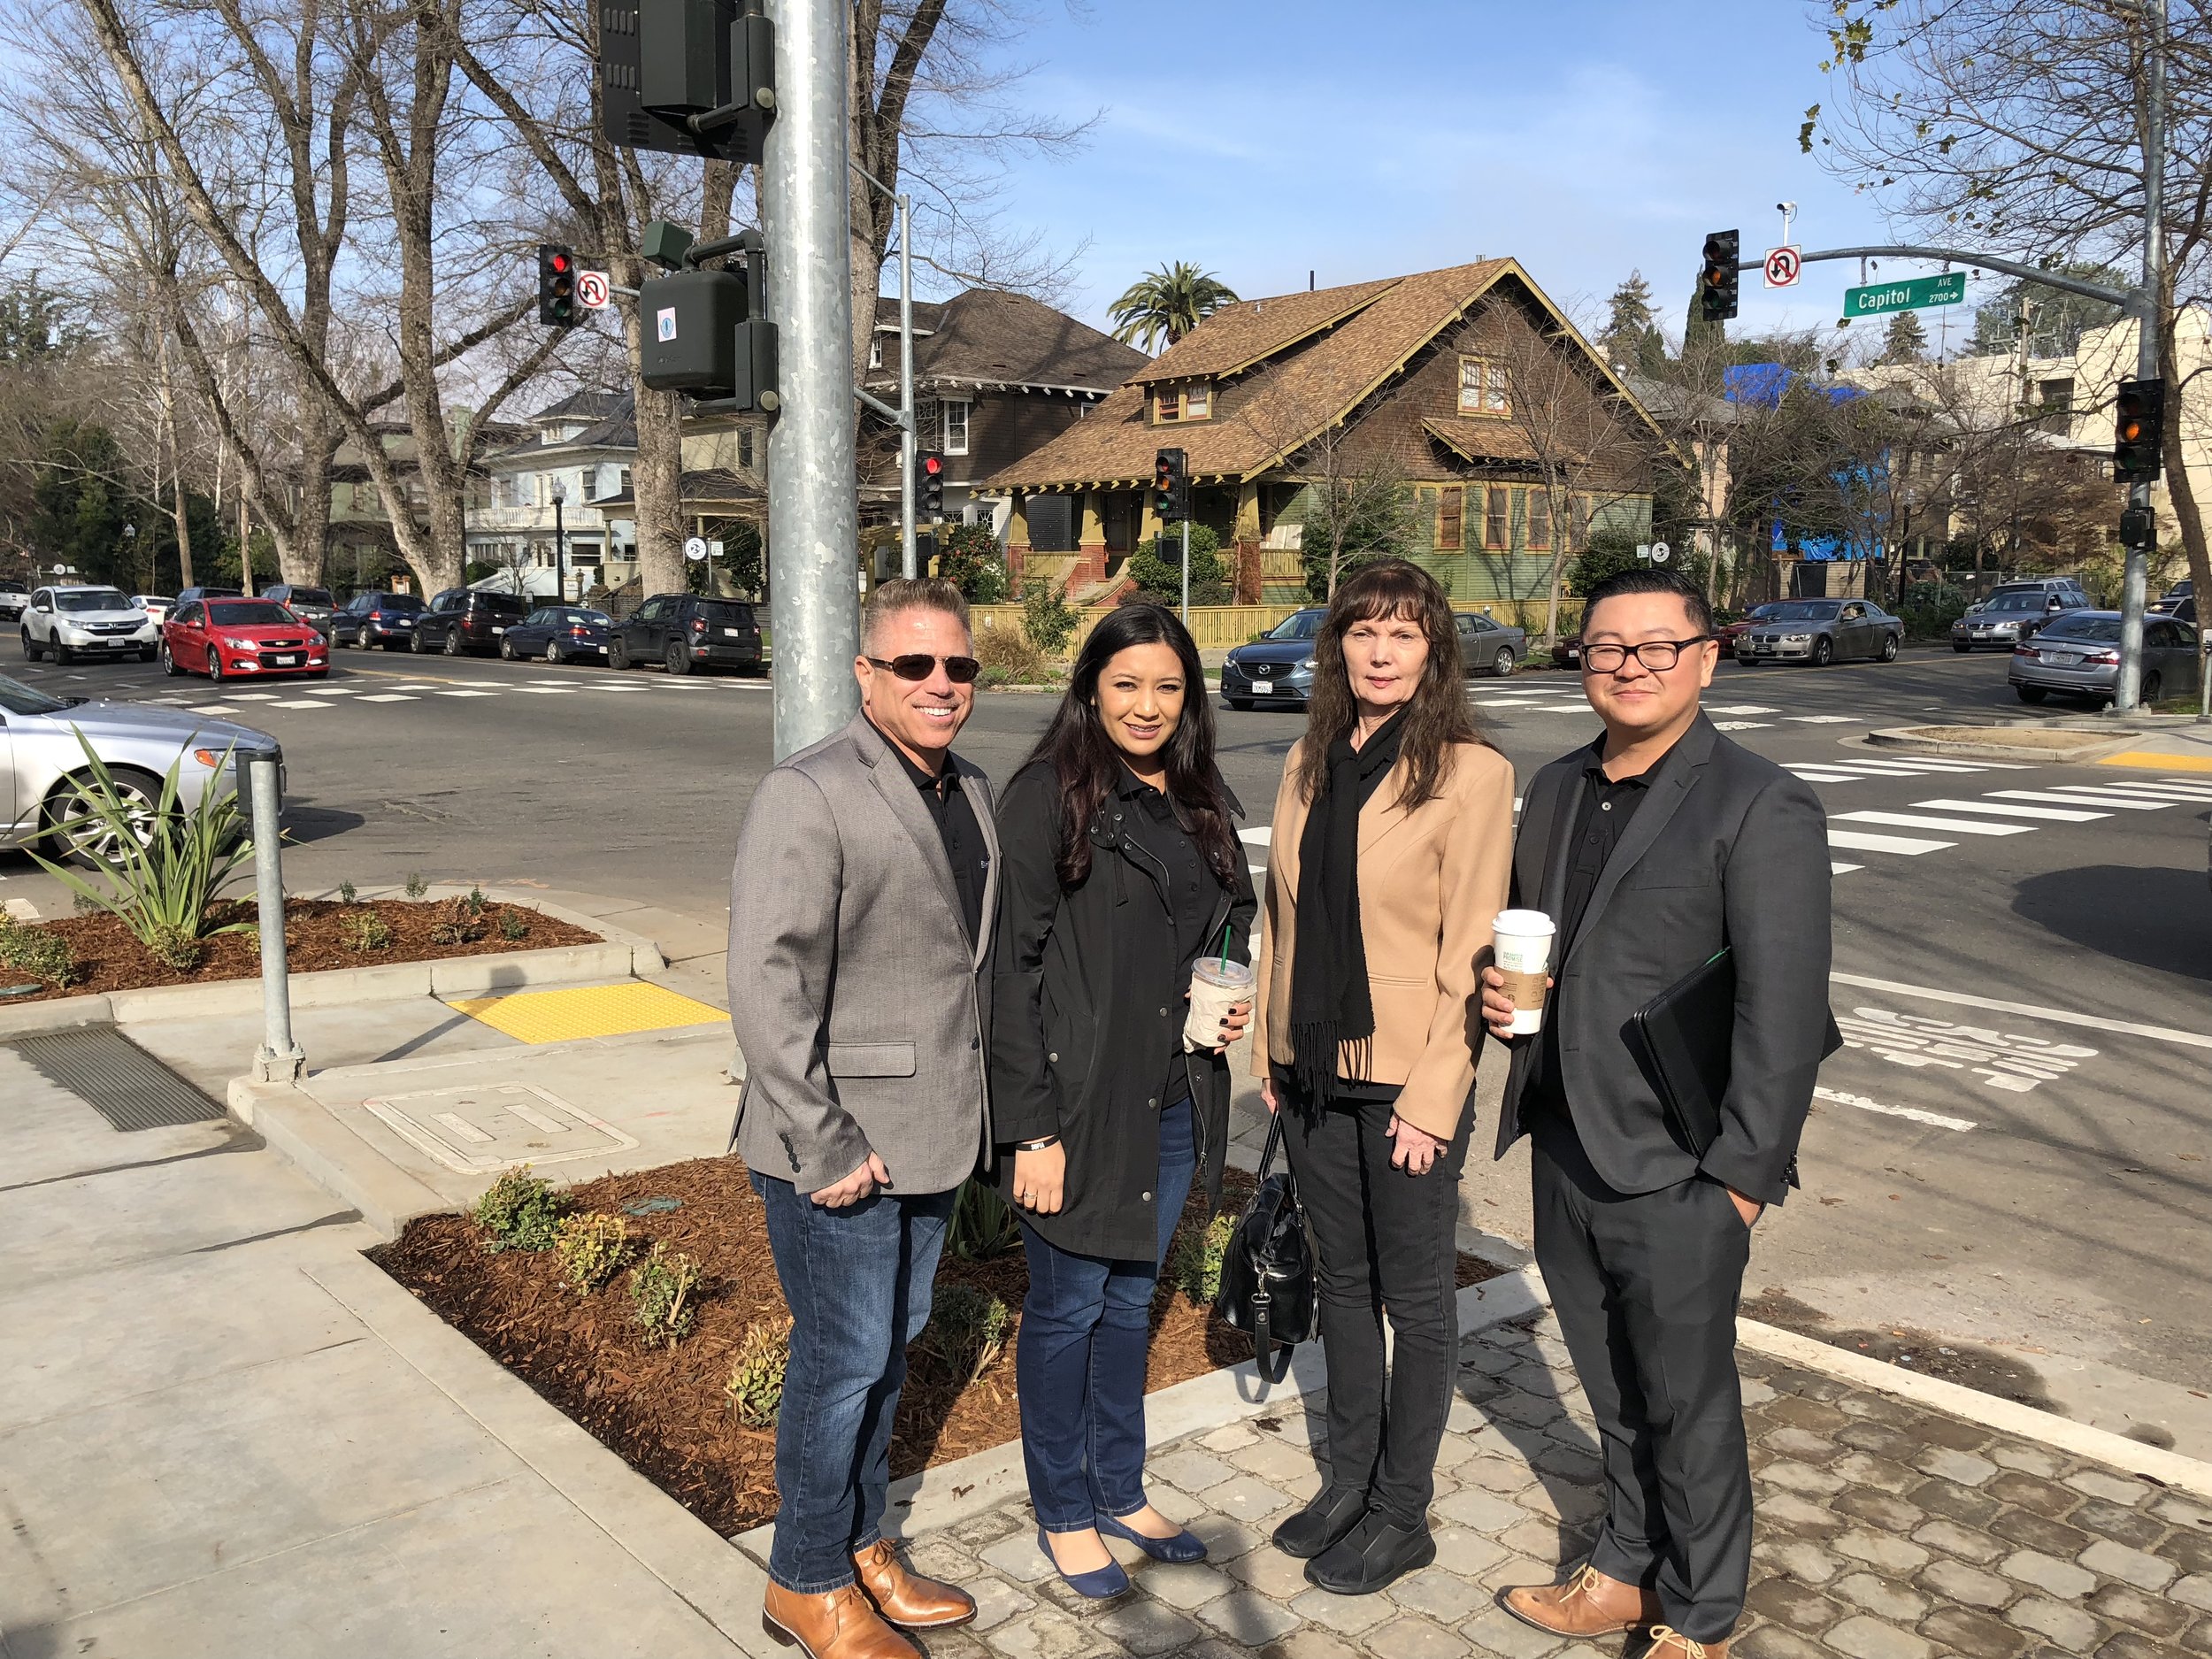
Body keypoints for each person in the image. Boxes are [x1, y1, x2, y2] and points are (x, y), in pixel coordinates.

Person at [1479, 566, 1833, 1659]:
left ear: (1703, 658)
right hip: (1564, 1140)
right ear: (1580, 658)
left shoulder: (1758, 801)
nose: (1628, 666)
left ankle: (1703, 1613)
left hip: (1680, 1170)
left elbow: (1783, 1009)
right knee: (1615, 1393)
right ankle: (1625, 1570)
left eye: (1654, 646)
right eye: (1605, 647)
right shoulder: (1552, 788)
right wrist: (1501, 1002)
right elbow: (1546, 944)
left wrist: (1739, 1180)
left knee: (1689, 1404)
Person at [728, 578, 998, 1659]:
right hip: (838, 1145)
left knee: (893, 1349)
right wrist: (824, 1141)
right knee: (843, 1358)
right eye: (914, 666)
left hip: (933, 1132)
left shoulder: (968, 788)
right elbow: (764, 981)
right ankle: (803, 1577)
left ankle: (858, 1538)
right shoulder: (809, 791)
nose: (941, 686)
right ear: (866, 674)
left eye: (959, 668)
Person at [1251, 559, 1515, 1595]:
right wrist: (1273, 1049)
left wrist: (1437, 1090)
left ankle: (1403, 1510)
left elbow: (1474, 945)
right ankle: (1349, 1480)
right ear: (1337, 648)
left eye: (1402, 634)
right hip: (1313, 1063)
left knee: (1415, 1295)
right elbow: (1282, 917)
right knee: (1344, 1286)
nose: (1379, 652)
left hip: (1407, 1074)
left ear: (1433, 649)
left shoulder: (1471, 772)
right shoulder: (1307, 759)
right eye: (1362, 633)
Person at [991, 603, 1259, 1598]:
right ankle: (1065, 1513)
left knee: (1128, 1301)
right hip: (1075, 1103)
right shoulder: (1048, 797)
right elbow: (1005, 977)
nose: (1146, 707)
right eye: (1126, 686)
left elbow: (1231, 916)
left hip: (1173, 1098)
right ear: (1090, 691)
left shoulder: (1196, 795)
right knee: (1065, 1310)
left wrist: (1224, 990)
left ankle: (1118, 1487)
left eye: (1167, 687)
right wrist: (1031, 1128)